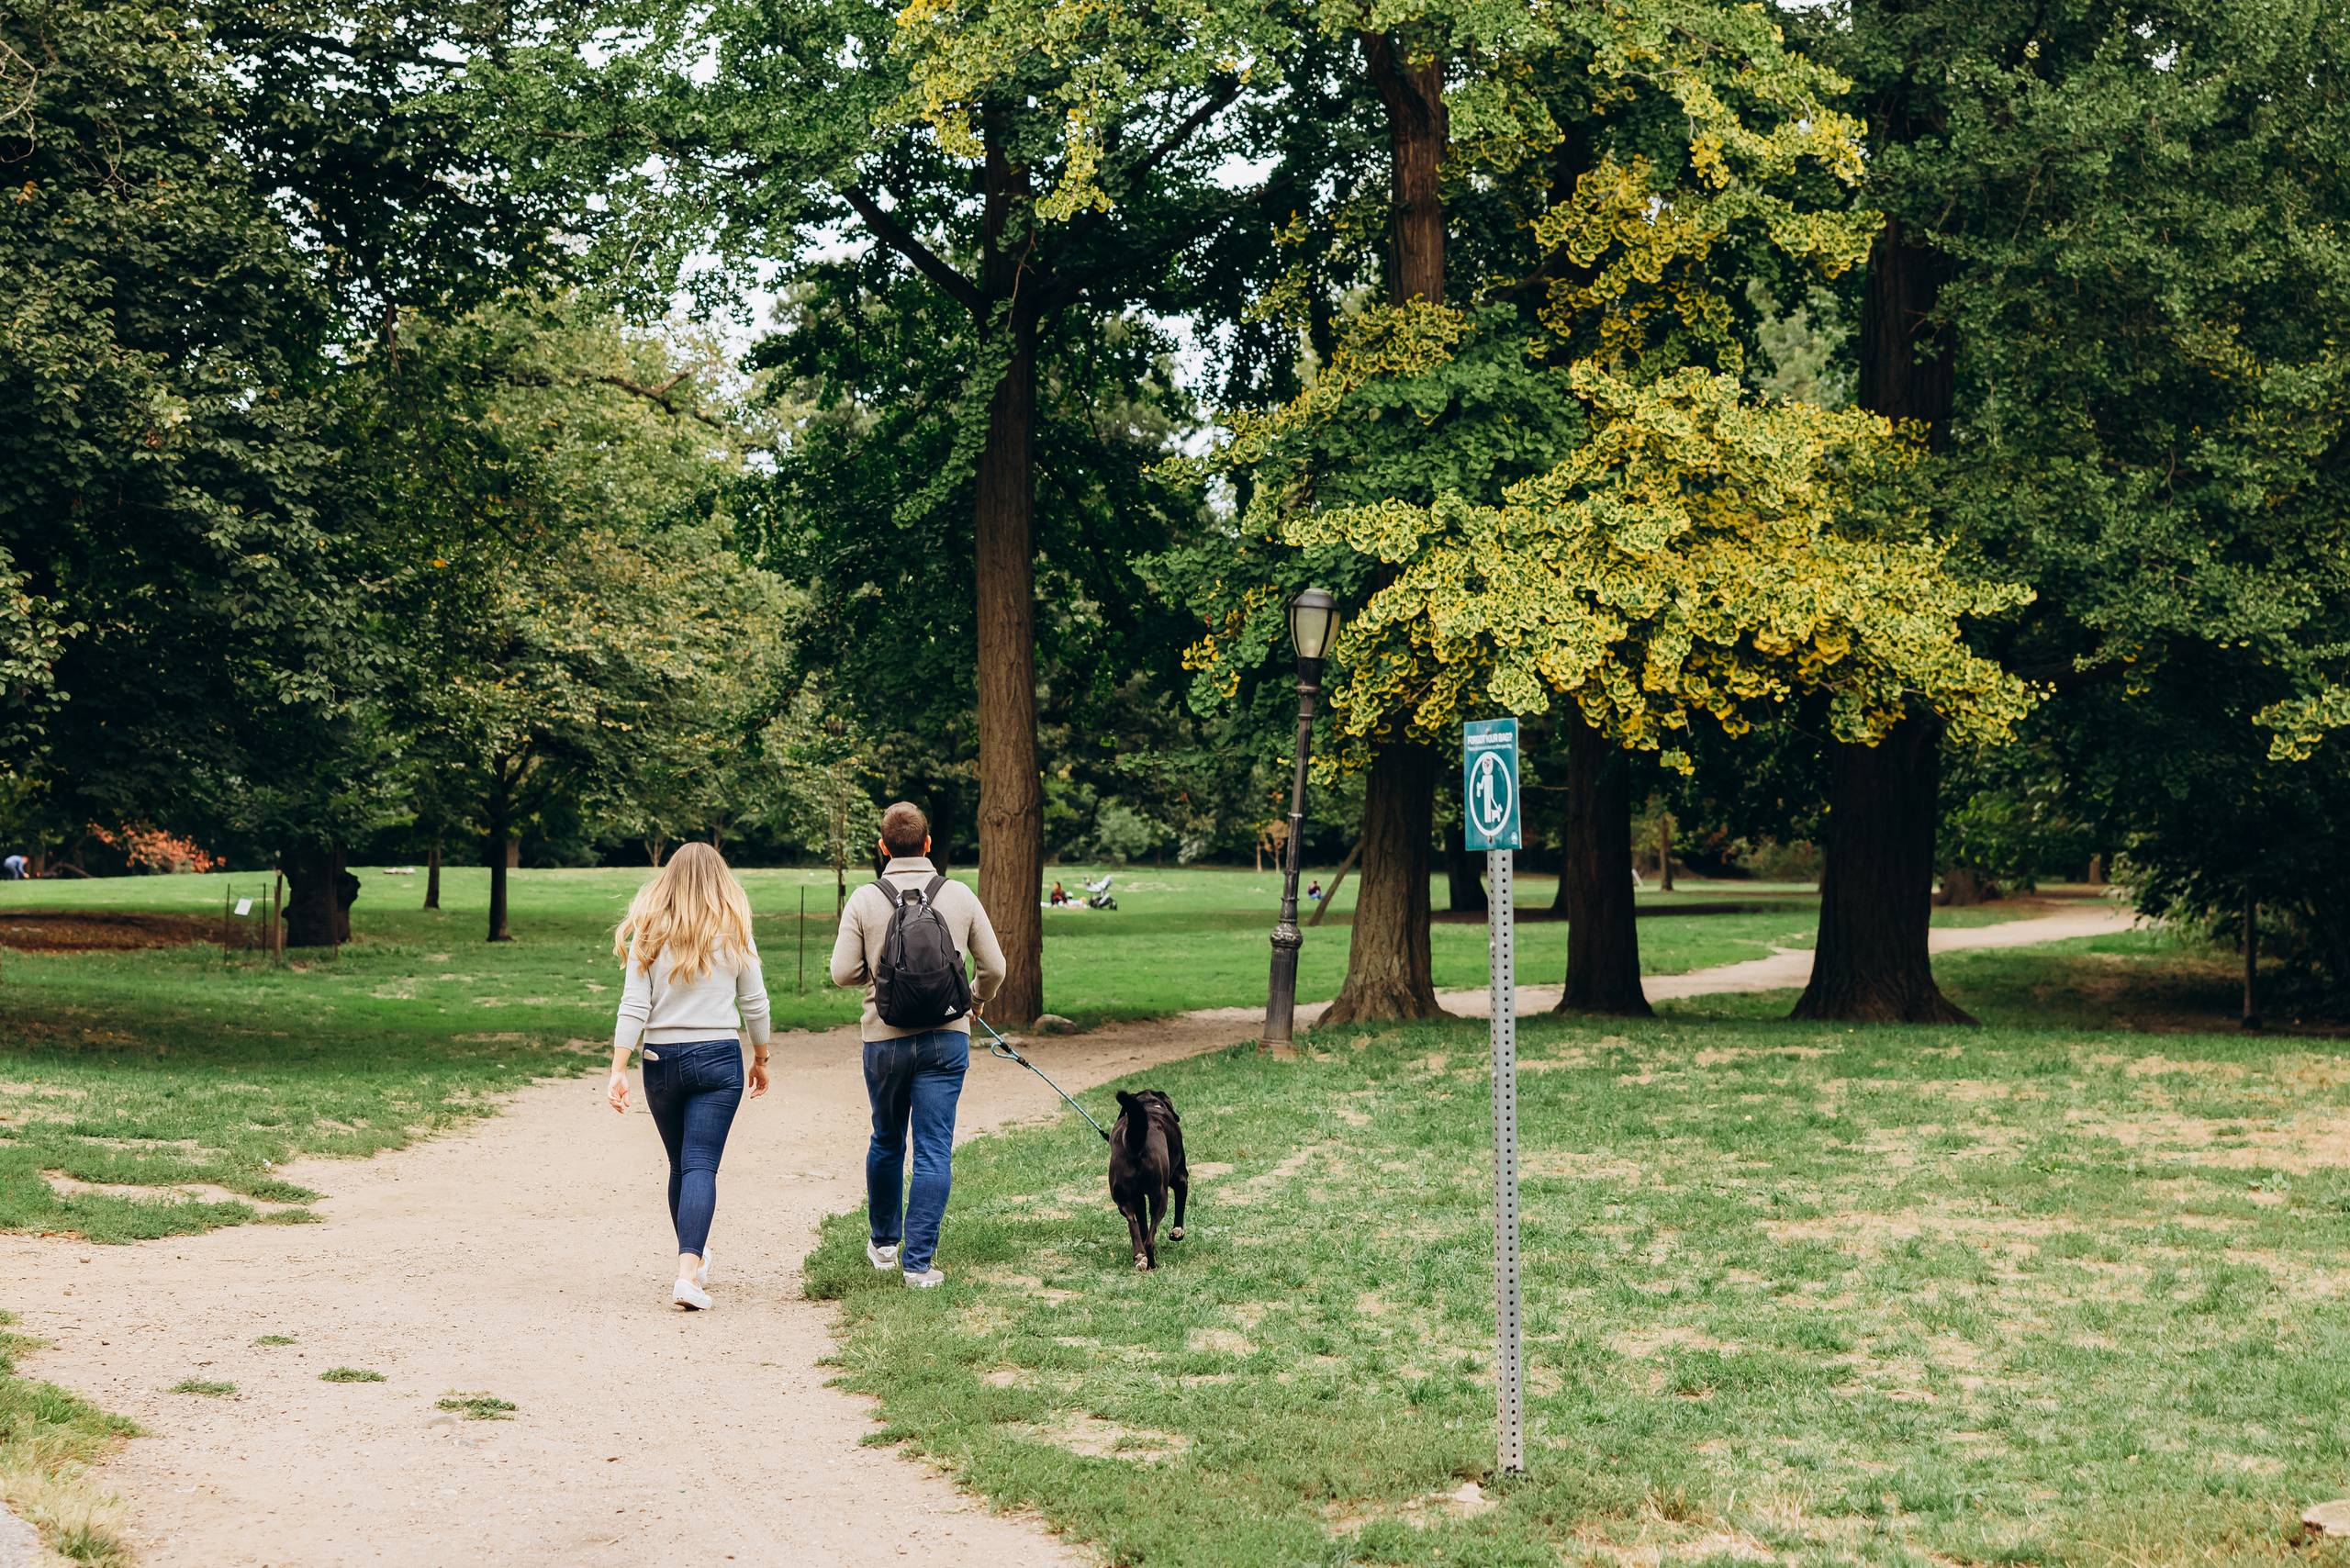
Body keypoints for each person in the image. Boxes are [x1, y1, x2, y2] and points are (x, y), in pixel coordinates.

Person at [830, 801, 1004, 1288]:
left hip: (883, 1040)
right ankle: (919, 1265)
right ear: (928, 845)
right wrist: (973, 999)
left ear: (882, 847)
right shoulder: (960, 895)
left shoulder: (865, 899)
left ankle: (884, 1244)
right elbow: (996, 967)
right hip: (946, 1040)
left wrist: (881, 973)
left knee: (886, 1139)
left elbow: (842, 972)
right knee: (933, 1149)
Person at [607, 842, 772, 1310]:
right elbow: (755, 1002)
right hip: (719, 1058)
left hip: (661, 1060)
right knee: (700, 1164)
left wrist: (619, 1066)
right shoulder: (735, 928)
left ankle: (693, 1264)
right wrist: (761, 1057)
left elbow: (634, 1003)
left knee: (682, 1164)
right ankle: (688, 1273)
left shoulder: (650, 930)